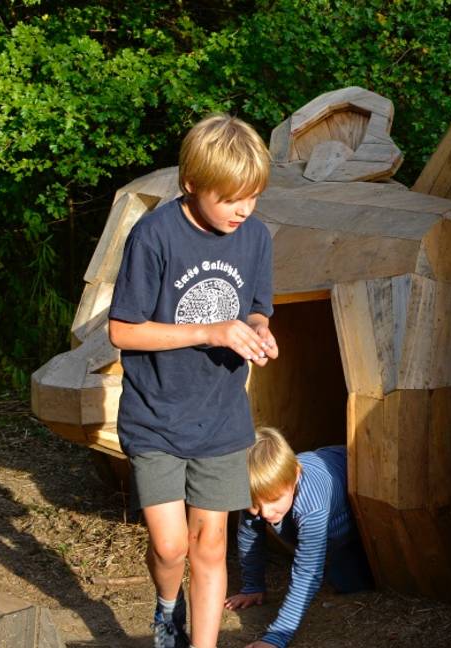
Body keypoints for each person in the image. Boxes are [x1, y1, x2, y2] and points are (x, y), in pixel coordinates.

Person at [108, 113, 278, 648]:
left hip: (222, 418)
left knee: (209, 545)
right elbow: (122, 331)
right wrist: (210, 330)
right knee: (171, 547)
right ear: (191, 185)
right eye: (230, 198)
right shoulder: (154, 235)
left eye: (252, 196)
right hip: (155, 416)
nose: (243, 210)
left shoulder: (256, 237)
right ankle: (166, 610)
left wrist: (257, 332)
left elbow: (256, 309)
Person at [226, 427, 373, 648]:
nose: (265, 512)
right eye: (254, 504)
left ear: (295, 475)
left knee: (351, 582)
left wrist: (275, 638)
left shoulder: (311, 504)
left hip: (350, 496)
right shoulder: (260, 491)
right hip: (323, 499)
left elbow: (307, 572)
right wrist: (252, 586)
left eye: (274, 499)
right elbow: (249, 539)